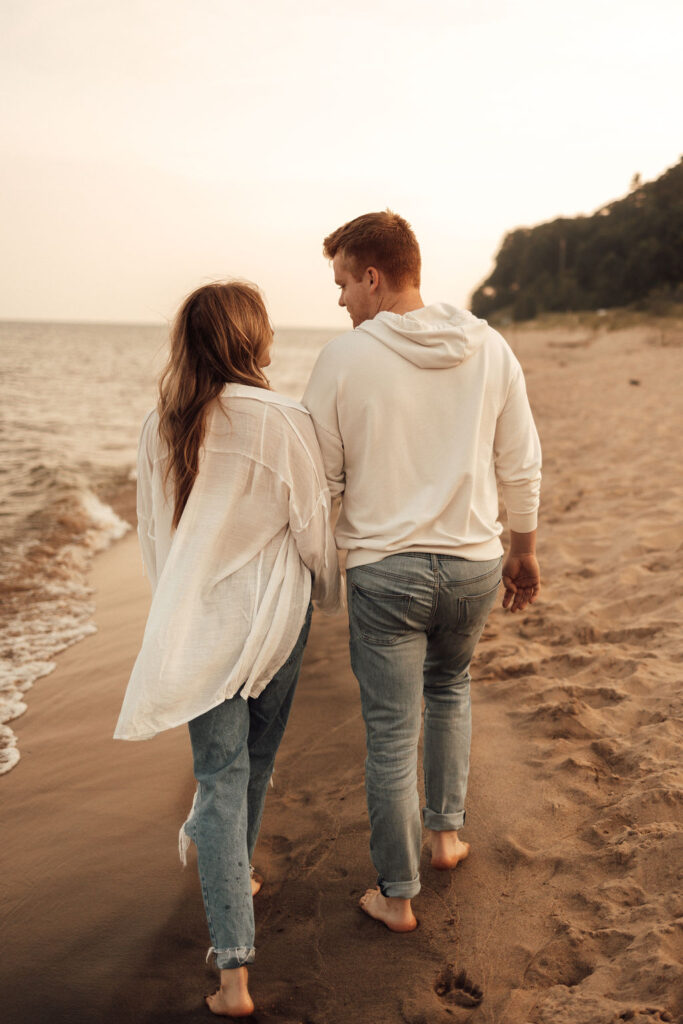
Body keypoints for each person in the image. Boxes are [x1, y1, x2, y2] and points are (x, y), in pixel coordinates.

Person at [303, 210, 541, 933]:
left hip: (388, 574)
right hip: (472, 565)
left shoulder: (344, 360)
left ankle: (397, 894)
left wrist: (317, 572)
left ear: (372, 276)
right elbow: (520, 461)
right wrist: (523, 552)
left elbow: (320, 478)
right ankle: (443, 838)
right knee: (449, 691)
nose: (341, 299)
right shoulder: (489, 346)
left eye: (343, 282)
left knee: (388, 731)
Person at [114, 281, 340, 1017]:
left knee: (217, 777)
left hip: (199, 627)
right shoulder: (284, 418)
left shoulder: (162, 422)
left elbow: (155, 536)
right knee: (256, 762)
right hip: (274, 621)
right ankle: (233, 890)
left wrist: (174, 611)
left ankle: (233, 975)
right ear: (254, 338)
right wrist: (333, 593)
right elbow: (312, 534)